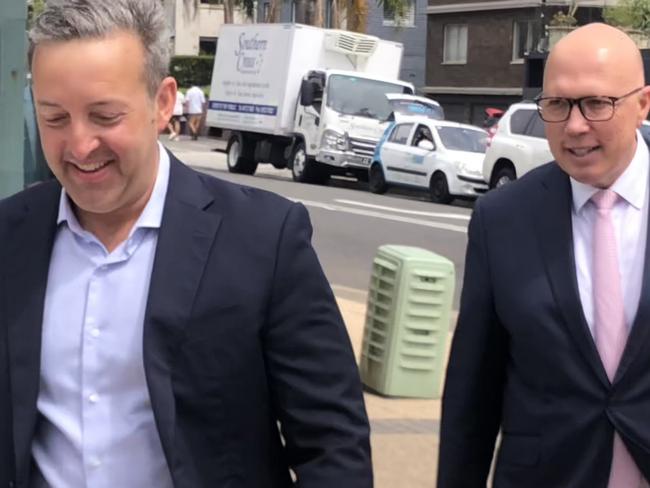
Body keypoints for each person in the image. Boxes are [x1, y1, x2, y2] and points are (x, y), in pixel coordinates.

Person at [0, 1, 373, 487]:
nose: (80, 144)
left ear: (162, 102)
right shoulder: (11, 237)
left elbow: (332, 442)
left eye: (104, 116)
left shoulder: (264, 239)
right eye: (55, 118)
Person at [438, 23, 650, 487]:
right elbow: (473, 393)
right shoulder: (503, 219)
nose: (575, 125)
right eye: (557, 104)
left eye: (597, 103)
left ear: (643, 104)